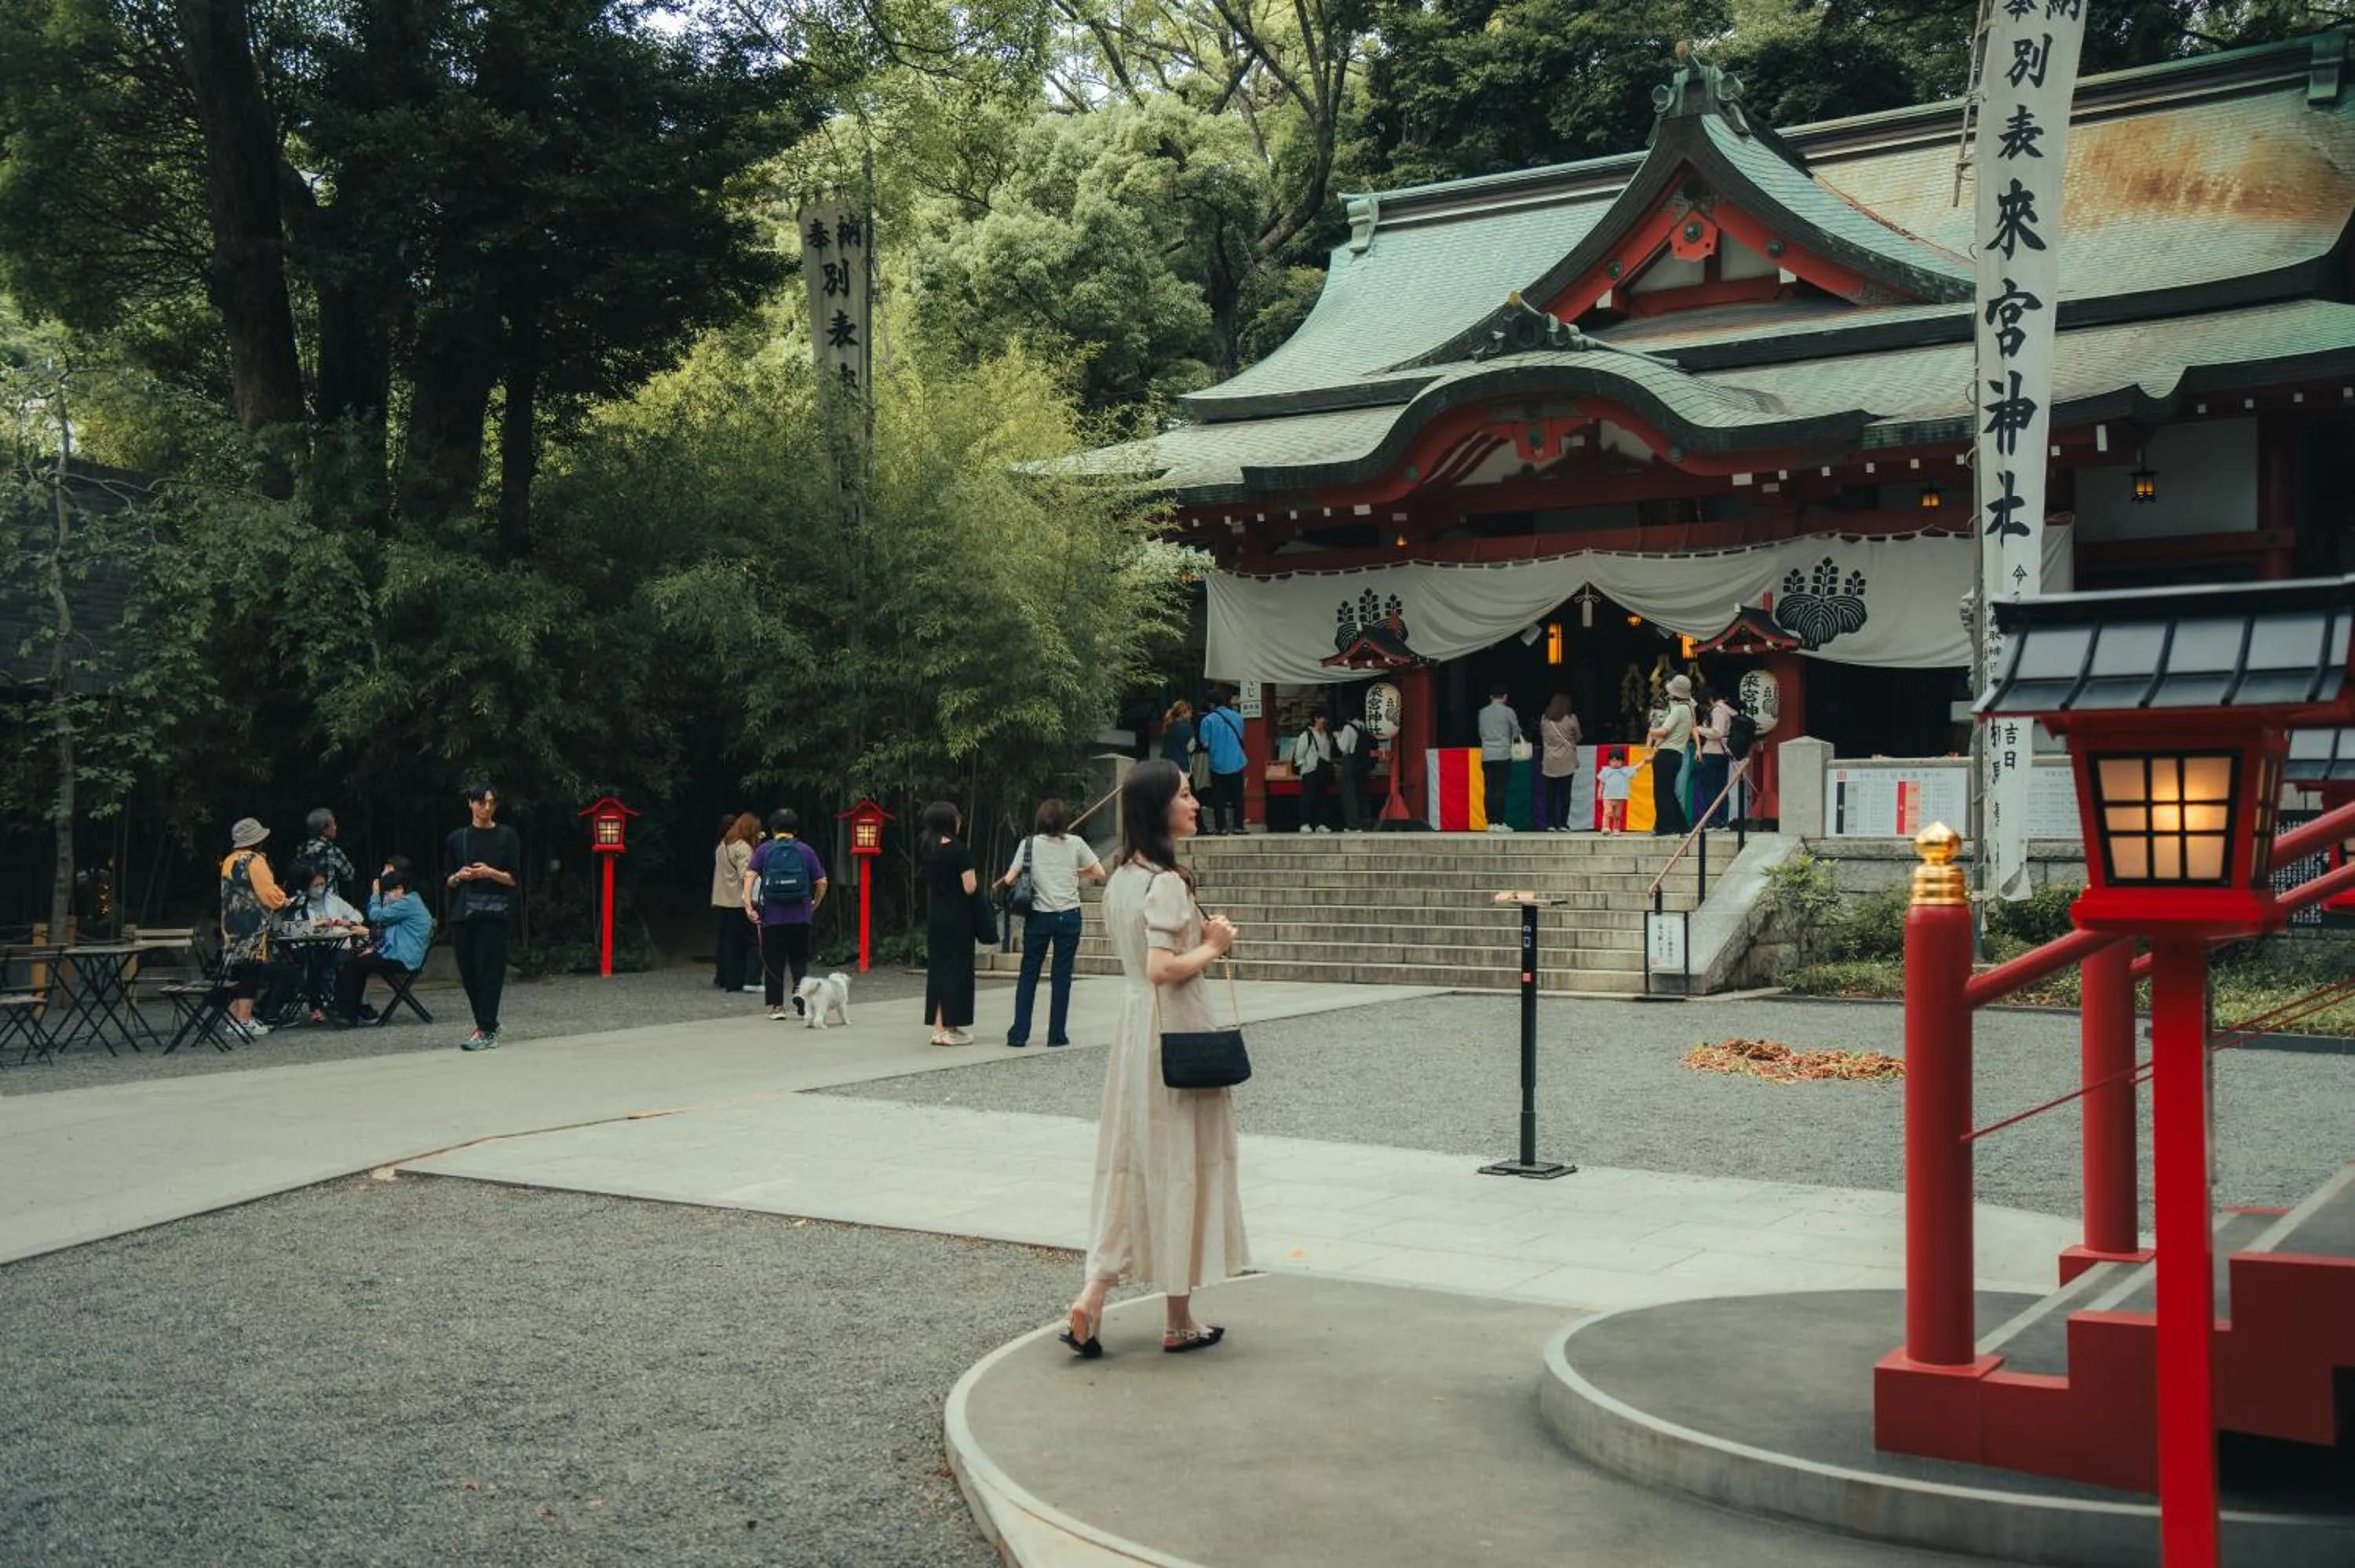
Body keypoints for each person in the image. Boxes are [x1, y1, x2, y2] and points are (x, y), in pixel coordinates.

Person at [1061, 758, 1249, 1359]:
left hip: (1137, 1031)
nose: (1194, 804)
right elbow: (1162, 968)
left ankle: (1095, 1295)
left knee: (1134, 1160)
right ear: (1159, 808)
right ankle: (1177, 1318)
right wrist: (1214, 945)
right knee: (1181, 1163)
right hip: (1179, 1031)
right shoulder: (1166, 882)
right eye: (1186, 795)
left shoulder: (1120, 879)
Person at [999, 797, 1106, 1049]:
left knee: (1029, 974)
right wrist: (1076, 873)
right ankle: (1057, 1034)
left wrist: (1033, 875)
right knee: (1062, 975)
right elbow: (1100, 872)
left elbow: (1010, 879)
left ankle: (1019, 1034)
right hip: (1069, 915)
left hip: (1038, 916)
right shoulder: (1075, 843)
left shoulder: (1029, 844)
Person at [443, 782, 520, 1052]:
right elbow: (448, 879)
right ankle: (486, 1024)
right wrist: (459, 876)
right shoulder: (457, 838)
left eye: (492, 803)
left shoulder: (507, 836)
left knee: (491, 971)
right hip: (463, 913)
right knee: (469, 972)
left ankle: (486, 1029)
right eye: (482, 802)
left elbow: (513, 878)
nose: (487, 808)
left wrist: (490, 872)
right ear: (470, 803)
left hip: (495, 912)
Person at [743, 809, 827, 1022]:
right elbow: (822, 882)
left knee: (774, 961)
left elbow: (750, 875)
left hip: (772, 915)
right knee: (799, 959)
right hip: (800, 915)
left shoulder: (764, 850)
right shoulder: (805, 850)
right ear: (795, 829)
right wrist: (815, 902)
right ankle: (802, 994)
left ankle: (778, 1007)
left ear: (773, 829)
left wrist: (748, 905)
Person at [332, 866, 435, 1026]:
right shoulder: (410, 902)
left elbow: (376, 916)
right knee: (355, 963)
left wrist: (374, 895)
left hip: (402, 958)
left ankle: (348, 1015)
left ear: (400, 889)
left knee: (354, 965)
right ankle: (352, 1011)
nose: (385, 897)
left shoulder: (408, 903)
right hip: (399, 954)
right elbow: (384, 927)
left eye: (387, 893)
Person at [219, 817, 294, 1035]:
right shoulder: (255, 861)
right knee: (250, 972)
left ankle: (234, 1020)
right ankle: (245, 1020)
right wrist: (284, 900)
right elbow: (268, 893)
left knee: (237, 971)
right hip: (251, 924)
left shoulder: (229, 860)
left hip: (231, 924)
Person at [919, 800, 980, 1045]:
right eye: (957, 817)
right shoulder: (958, 850)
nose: (960, 820)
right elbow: (970, 886)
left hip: (936, 916)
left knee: (939, 971)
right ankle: (945, 1027)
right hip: (958, 918)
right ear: (949, 821)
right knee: (956, 972)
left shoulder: (927, 848)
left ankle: (943, 1025)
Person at [712, 812, 763, 994]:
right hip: (741, 902)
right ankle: (752, 979)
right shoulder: (743, 848)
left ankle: (731, 980)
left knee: (731, 942)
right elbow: (746, 874)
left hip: (723, 900)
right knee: (754, 942)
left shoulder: (723, 846)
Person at [1645, 676, 1697, 837]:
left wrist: (1650, 730)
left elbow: (1663, 731)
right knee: (1668, 792)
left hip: (1667, 753)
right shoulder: (1688, 709)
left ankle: (1663, 827)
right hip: (1677, 754)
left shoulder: (1679, 710)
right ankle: (1682, 827)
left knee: (1661, 792)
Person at [1199, 687, 1248, 835]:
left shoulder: (1207, 720)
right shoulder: (1238, 717)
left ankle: (1222, 827)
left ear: (1212, 704)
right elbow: (1241, 736)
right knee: (1238, 796)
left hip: (1218, 762)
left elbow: (1205, 743)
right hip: (1237, 760)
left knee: (1218, 797)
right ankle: (1239, 826)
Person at [1477, 684, 1524, 833]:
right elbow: (1517, 732)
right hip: (1503, 754)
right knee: (1500, 790)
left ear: (1490, 697)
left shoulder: (1482, 712)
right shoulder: (1508, 712)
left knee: (1489, 789)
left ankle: (1490, 823)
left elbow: (1481, 732)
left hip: (1487, 755)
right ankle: (1499, 821)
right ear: (1505, 697)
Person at [1693, 684, 1736, 829]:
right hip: (1722, 754)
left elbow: (1717, 732)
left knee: (1710, 789)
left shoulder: (1718, 711)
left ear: (1710, 700)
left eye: (1705, 703)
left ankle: (1715, 820)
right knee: (1720, 788)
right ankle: (1721, 820)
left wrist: (1699, 729)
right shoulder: (1727, 710)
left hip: (1713, 752)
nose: (1704, 707)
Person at [1539, 694, 1583, 832]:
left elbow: (1542, 735)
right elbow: (1579, 736)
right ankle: (1563, 823)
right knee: (1565, 794)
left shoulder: (1545, 720)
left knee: (1550, 794)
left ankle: (1550, 823)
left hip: (1549, 760)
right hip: (1567, 761)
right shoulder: (1571, 719)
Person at [294, 808, 358, 901]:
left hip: (305, 903)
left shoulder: (301, 849)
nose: (336, 827)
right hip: (328, 905)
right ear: (325, 829)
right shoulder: (333, 851)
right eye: (333, 824)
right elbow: (350, 874)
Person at [1291, 713, 1334, 833]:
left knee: (1322, 797)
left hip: (1323, 769)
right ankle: (1305, 823)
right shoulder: (1307, 735)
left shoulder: (1326, 734)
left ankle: (1320, 823)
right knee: (1308, 797)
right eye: (1322, 717)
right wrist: (1304, 765)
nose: (1324, 720)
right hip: (1310, 769)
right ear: (1315, 719)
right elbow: (1299, 753)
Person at [1331, 712, 1370, 830]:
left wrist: (1338, 736)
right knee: (1361, 793)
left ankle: (1353, 824)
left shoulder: (1348, 727)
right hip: (1362, 763)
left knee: (1350, 795)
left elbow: (1344, 748)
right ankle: (1365, 822)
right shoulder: (1363, 726)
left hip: (1350, 762)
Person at [1597, 746, 1637, 833]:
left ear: (1622, 762)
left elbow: (1636, 768)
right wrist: (1599, 793)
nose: (1615, 763)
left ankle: (1616, 829)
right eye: (1613, 761)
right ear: (1609, 761)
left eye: (1618, 761)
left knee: (1618, 815)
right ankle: (1605, 827)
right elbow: (1601, 783)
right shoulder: (1606, 771)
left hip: (1620, 798)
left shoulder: (1625, 771)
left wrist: (1644, 762)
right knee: (1608, 813)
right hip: (1608, 797)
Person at [1159, 700, 1195, 771]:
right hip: (1182, 765)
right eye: (1190, 712)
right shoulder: (1188, 727)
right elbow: (1191, 748)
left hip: (1166, 765)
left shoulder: (1168, 725)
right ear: (1184, 712)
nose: (1191, 715)